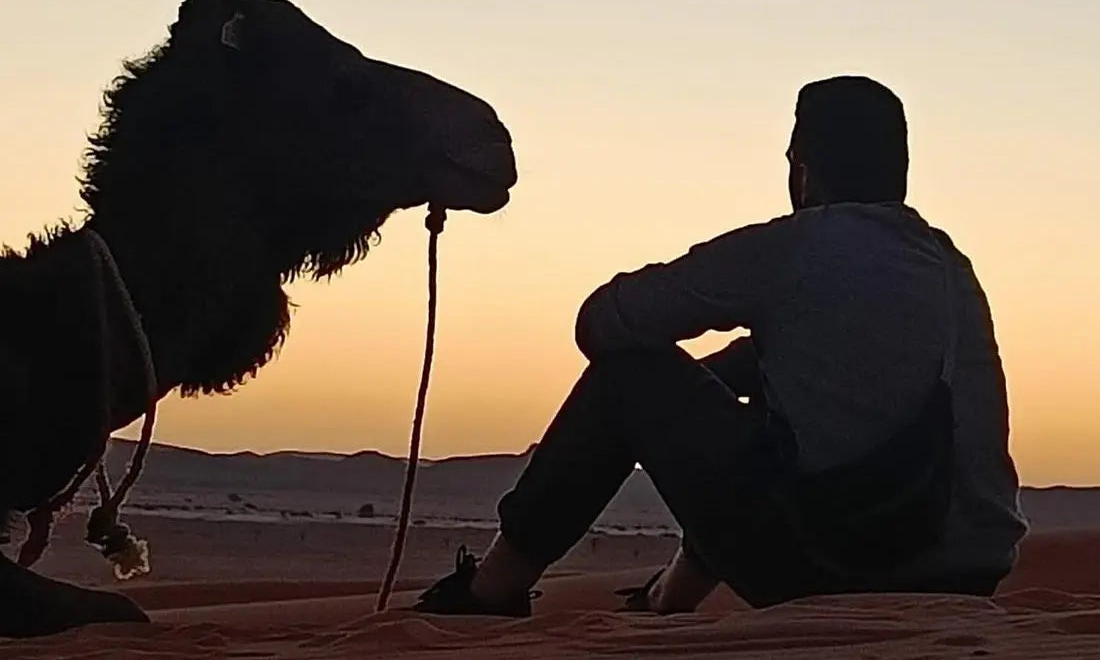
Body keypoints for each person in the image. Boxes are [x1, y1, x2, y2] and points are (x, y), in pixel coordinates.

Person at [412, 76, 1028, 616]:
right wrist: (727, 376)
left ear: (803, 169)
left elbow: (602, 324)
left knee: (629, 375)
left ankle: (493, 591)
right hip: (971, 576)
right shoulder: (949, 263)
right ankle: (668, 599)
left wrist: (687, 381)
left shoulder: (795, 248)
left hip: (839, 566)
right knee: (775, 404)